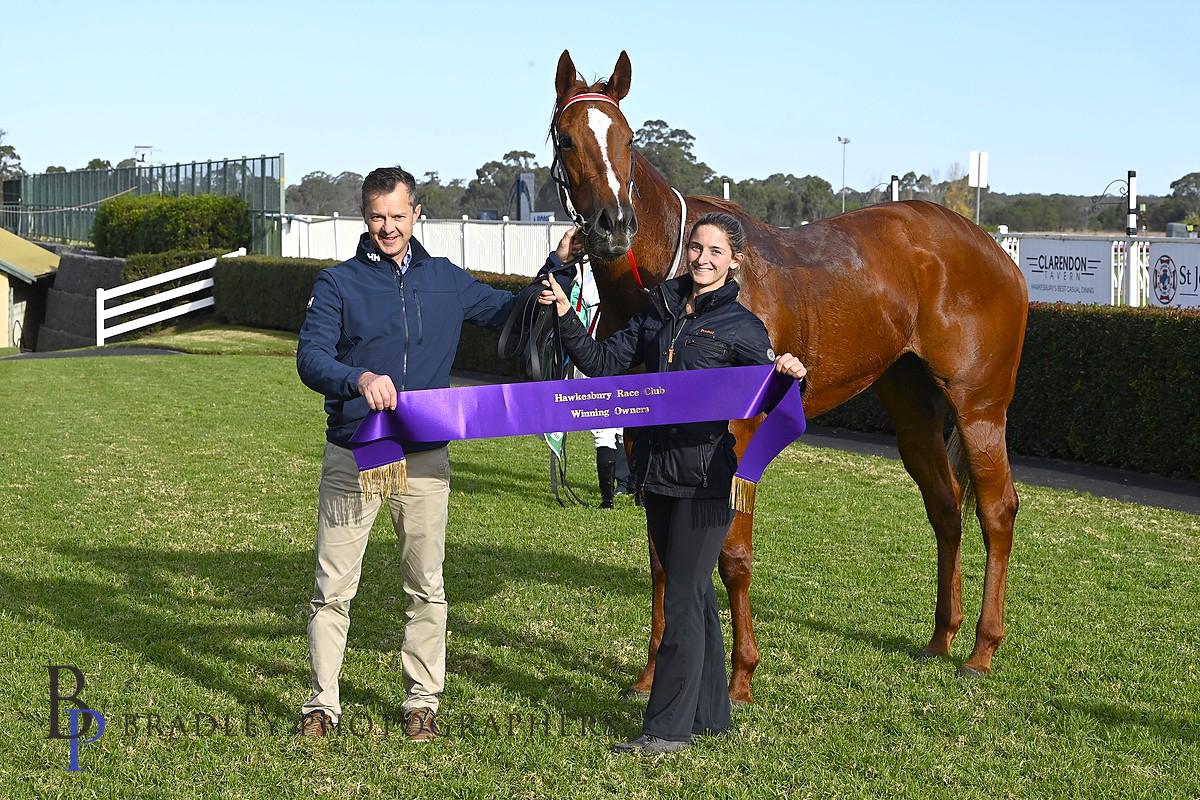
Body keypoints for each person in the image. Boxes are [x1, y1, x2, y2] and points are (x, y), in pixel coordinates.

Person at [295, 166, 574, 741]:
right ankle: (322, 704)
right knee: (333, 589)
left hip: (424, 459)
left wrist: (559, 265)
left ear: (416, 213)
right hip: (355, 455)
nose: (388, 228)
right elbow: (311, 358)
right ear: (364, 217)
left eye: (398, 216)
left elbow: (512, 310)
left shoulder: (445, 277)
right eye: (378, 217)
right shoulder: (337, 283)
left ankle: (422, 701)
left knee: (426, 585)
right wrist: (357, 378)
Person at [539, 211, 807, 754]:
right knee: (697, 593)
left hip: (707, 481)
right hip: (657, 475)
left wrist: (789, 374)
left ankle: (666, 728)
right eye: (696, 248)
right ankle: (710, 714)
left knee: (681, 597)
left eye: (716, 251)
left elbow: (773, 396)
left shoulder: (743, 327)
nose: (703, 259)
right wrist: (566, 314)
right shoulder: (658, 310)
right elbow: (603, 363)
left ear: (735, 261)